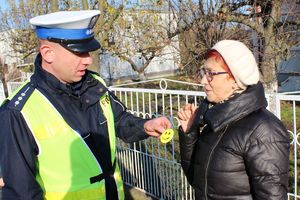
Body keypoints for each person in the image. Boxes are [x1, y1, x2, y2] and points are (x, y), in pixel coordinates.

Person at [0, 10, 171, 200]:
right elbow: (21, 193)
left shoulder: (94, 84)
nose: (88, 59)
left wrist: (144, 126)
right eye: (79, 52)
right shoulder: (17, 112)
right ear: (48, 54)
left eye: (88, 51)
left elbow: (119, 120)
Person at [178, 40, 290, 199]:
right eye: (203, 72)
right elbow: (198, 181)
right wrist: (190, 133)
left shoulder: (264, 131)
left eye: (211, 73)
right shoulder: (216, 120)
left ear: (236, 80)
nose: (203, 81)